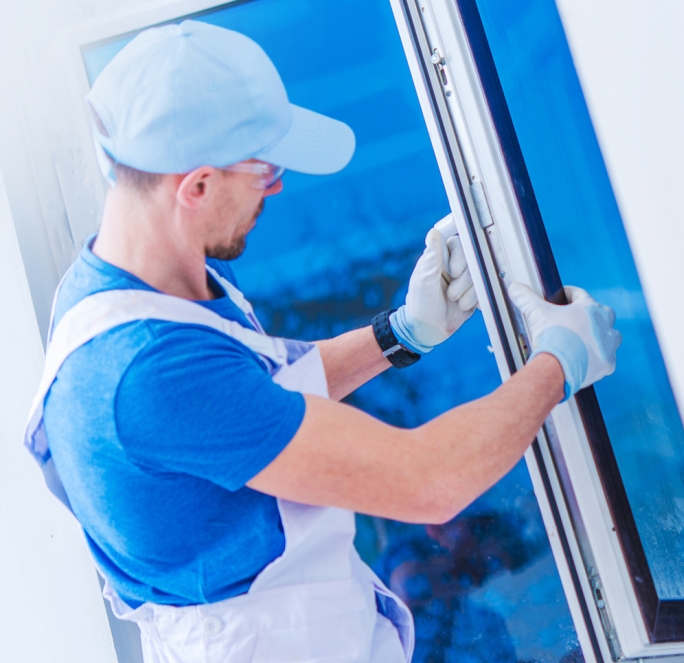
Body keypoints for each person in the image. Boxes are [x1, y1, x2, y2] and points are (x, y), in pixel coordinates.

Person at [23, 20, 620, 663]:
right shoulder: (143, 373)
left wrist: (401, 334)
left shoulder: (118, 291)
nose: (278, 187)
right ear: (195, 186)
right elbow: (428, 482)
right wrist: (557, 363)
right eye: (265, 169)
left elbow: (253, 403)